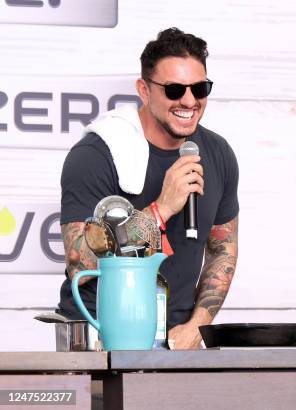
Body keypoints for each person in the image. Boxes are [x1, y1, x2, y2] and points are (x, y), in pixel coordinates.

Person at [57, 28, 239, 350]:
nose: (189, 101)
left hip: (174, 346)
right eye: (173, 90)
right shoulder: (97, 154)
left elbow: (223, 248)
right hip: (99, 343)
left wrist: (197, 327)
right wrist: (160, 210)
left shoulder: (217, 154)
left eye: (200, 88)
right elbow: (81, 264)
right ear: (144, 90)